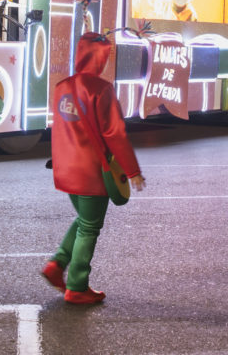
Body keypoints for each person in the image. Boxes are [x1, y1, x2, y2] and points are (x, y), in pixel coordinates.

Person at [43, 32, 145, 304]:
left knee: (84, 220)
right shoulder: (101, 89)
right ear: (100, 58)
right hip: (92, 171)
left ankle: (57, 264)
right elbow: (115, 133)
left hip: (66, 169)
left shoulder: (62, 86)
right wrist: (132, 171)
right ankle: (76, 286)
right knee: (90, 227)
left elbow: (60, 130)